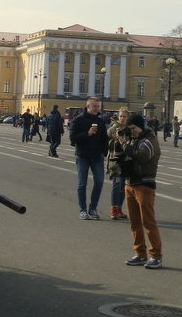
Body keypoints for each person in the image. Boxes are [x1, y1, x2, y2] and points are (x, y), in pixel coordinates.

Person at [119, 114, 163, 269]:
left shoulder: (149, 140)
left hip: (144, 184)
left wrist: (125, 145)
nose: (132, 131)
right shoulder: (133, 139)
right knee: (135, 222)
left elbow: (142, 156)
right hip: (130, 183)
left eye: (134, 128)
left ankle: (156, 255)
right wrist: (120, 141)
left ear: (140, 126)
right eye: (130, 129)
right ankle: (140, 253)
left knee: (148, 222)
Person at [70, 96, 109, 220]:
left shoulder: (101, 121)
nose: (97, 108)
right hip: (82, 155)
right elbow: (73, 138)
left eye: (98, 106)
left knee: (99, 182)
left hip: (97, 156)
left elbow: (105, 138)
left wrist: (104, 152)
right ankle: (82, 209)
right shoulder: (78, 120)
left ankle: (93, 208)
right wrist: (87, 134)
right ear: (88, 106)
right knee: (82, 184)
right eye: (94, 106)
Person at [106, 107, 130, 220]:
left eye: (124, 116)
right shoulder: (114, 127)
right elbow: (107, 137)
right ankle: (113, 209)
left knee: (124, 186)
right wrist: (115, 136)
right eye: (121, 116)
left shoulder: (129, 129)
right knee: (117, 184)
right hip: (115, 161)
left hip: (126, 160)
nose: (122, 118)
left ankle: (119, 209)